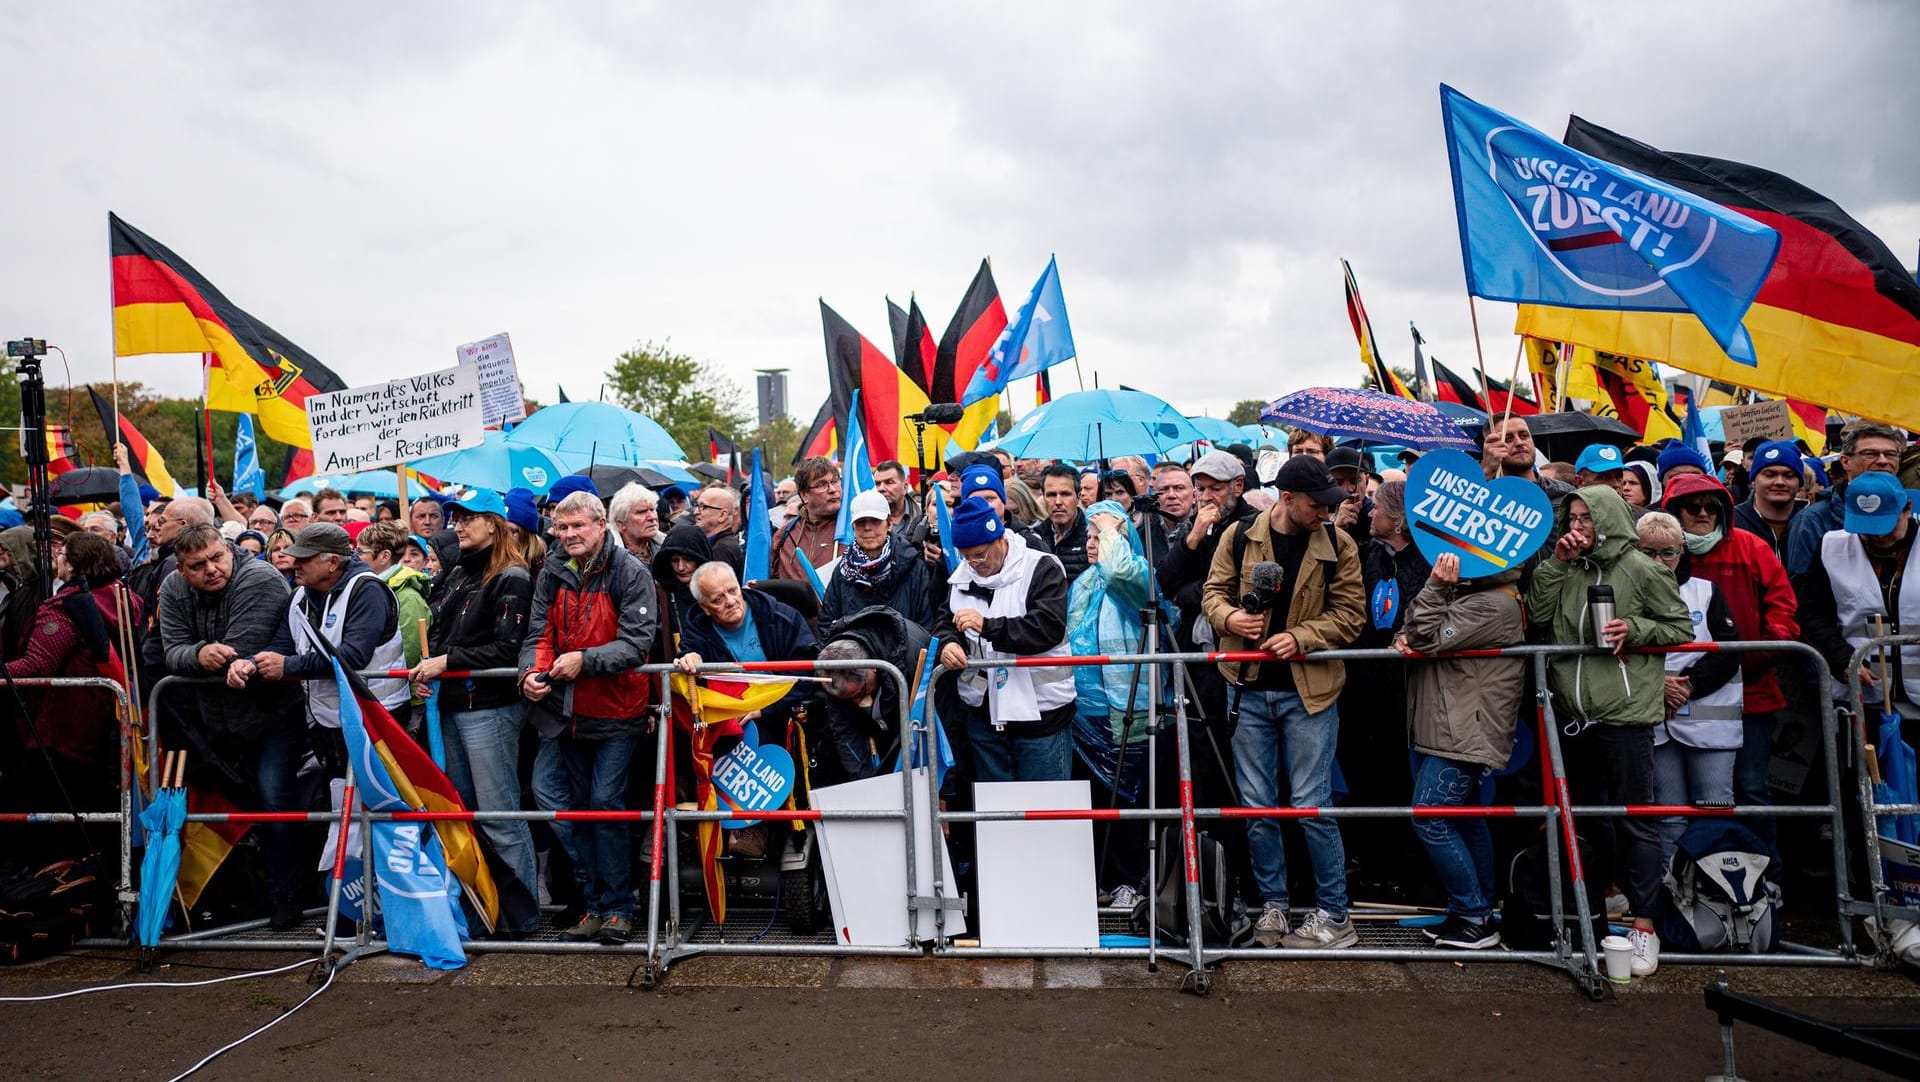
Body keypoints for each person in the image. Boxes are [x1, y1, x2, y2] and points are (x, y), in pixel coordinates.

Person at [1528, 485, 1693, 977]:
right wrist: (1556, 562)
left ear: (1609, 517)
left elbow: (1681, 627)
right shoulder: (1565, 566)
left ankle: (1644, 926)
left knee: (1635, 821)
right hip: (1573, 716)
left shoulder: (1642, 568)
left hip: (1625, 716)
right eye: (1572, 517)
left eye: (1586, 517)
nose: (1578, 526)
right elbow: (1537, 617)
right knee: (1582, 822)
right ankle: (1590, 921)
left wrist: (1634, 630)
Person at [1203, 455, 1367, 949]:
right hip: (1247, 687)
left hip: (1309, 692)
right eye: (1317, 504)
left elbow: (1351, 615)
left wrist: (1301, 636)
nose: (1325, 513)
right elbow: (1212, 593)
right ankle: (1273, 907)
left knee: (1312, 804)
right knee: (1257, 807)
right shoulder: (1238, 535)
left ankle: (1334, 915)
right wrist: (1231, 620)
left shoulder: (1340, 543)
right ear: (1288, 499)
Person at [520, 490, 658, 945]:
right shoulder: (553, 571)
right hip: (568, 711)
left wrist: (584, 659)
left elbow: (637, 643)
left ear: (602, 525)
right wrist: (531, 673)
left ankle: (619, 907)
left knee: (605, 805)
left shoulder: (630, 571)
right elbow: (537, 632)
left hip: (618, 711)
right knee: (576, 810)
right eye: (562, 527)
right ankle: (596, 905)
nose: (569, 534)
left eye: (578, 525)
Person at [155, 522, 305, 928]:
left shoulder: (259, 578)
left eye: (217, 557)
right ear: (182, 569)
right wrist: (199, 653)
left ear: (228, 548)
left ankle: (285, 893)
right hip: (215, 721)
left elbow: (243, 651)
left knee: (276, 801)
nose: (212, 569)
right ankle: (241, 895)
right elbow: (172, 651)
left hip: (271, 715)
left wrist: (200, 656)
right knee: (234, 805)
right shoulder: (172, 588)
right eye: (198, 564)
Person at [411, 490, 540, 937]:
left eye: (467, 517)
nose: (457, 525)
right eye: (455, 518)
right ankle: (482, 908)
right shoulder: (456, 575)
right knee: (463, 814)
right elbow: (441, 634)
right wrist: (429, 668)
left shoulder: (513, 576)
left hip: (490, 708)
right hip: (450, 706)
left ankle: (521, 912)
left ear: (494, 522)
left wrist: (446, 662)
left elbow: (507, 647)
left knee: (498, 815)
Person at [1393, 551, 1527, 950]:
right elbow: (1415, 629)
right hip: (1454, 727)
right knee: (1466, 820)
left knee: (1428, 817)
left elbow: (1422, 635)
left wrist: (1436, 586)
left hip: (1465, 731)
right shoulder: (1477, 595)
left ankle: (1474, 914)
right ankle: (1473, 910)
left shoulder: (1493, 602)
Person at [1660, 473, 1800, 813]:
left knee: (1751, 790)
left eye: (1713, 506)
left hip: (1749, 694)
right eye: (1693, 507)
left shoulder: (1752, 548)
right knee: (1674, 805)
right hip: (1668, 699)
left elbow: (1784, 614)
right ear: (1674, 512)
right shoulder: (1657, 554)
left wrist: (1747, 659)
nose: (1704, 514)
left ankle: (1761, 866)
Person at [3, 533, 139, 862]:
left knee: (56, 815)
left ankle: (56, 882)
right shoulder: (123, 596)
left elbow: (38, 664)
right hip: (106, 721)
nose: (57, 559)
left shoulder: (66, 607)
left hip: (62, 725)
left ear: (73, 563)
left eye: (62, 553)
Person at [229, 523, 411, 756]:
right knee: (336, 790)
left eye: (304, 559)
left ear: (333, 562)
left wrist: (287, 666)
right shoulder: (299, 595)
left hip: (377, 717)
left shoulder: (368, 591)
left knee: (378, 793)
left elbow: (354, 656)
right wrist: (252, 663)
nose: (295, 564)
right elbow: (282, 646)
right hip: (328, 720)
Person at [675, 561, 819, 854]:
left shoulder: (781, 617)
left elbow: (810, 678)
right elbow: (688, 658)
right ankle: (692, 822)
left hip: (780, 714)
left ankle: (753, 828)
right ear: (705, 607)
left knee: (758, 731)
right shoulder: (698, 629)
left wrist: (765, 709)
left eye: (732, 591)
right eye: (718, 599)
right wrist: (688, 658)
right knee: (689, 734)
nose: (729, 601)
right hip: (727, 719)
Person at [934, 498, 1075, 782]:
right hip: (984, 715)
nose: (974, 564)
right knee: (995, 815)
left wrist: (988, 626)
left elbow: (1047, 627)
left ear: (1000, 539)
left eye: (980, 555)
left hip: (1042, 712)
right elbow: (945, 621)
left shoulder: (1041, 567)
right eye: (966, 556)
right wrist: (949, 643)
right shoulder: (961, 576)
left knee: (1047, 811)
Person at [1634, 513, 1745, 869]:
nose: (1658, 562)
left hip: (1710, 725)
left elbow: (1728, 652)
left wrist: (1687, 687)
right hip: (1655, 722)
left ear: (1682, 551)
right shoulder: (1626, 592)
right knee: (1668, 816)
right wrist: (1657, 687)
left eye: (1667, 553)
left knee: (1714, 809)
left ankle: (1718, 896)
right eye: (1648, 552)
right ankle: (1673, 896)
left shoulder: (1706, 590)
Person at [1067, 501, 1162, 906]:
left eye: (1100, 536)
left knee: (1130, 799)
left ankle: (1130, 882)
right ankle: (1104, 879)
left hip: (1131, 706)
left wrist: (1111, 530)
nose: (1092, 543)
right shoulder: (1083, 582)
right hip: (1086, 712)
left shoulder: (1138, 576)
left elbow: (1118, 569)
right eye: (1089, 535)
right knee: (1097, 798)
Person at [1796, 471, 1920, 710]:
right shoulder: (1831, 547)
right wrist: (1842, 659)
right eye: (1868, 528)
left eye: (1887, 525)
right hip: (1862, 694)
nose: (1879, 536)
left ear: (1908, 509)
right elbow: (1812, 613)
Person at [815, 607, 930, 783]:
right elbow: (846, 734)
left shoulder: (911, 655)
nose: (858, 701)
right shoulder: (831, 672)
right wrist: (866, 786)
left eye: (860, 692)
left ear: (873, 669)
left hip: (918, 733)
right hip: (880, 732)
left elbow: (941, 723)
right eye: (849, 699)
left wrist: (943, 791)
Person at [821, 490, 934, 630]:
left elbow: (925, 623)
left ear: (889, 524)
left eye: (875, 521)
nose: (867, 528)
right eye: (860, 522)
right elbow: (827, 624)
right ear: (853, 527)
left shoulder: (912, 565)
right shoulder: (842, 570)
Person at [357, 521, 433, 689]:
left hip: (404, 693)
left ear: (384, 556)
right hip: (376, 689)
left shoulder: (407, 596)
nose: (356, 556)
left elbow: (409, 652)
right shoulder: (370, 587)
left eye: (361, 551)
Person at [770, 456, 842, 582]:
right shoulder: (784, 535)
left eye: (835, 481)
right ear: (804, 495)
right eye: (822, 485)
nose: (833, 490)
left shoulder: (852, 530)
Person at [1735, 440, 1807, 561]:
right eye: (1770, 475)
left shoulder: (1815, 522)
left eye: (1789, 475)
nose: (1779, 482)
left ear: (1800, 482)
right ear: (1753, 480)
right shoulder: (1731, 521)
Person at [1482, 416, 1574, 504]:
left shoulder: (1566, 495)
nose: (1519, 442)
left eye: (1524, 436)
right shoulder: (1482, 496)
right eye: (1508, 439)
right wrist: (1486, 470)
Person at [1034, 464, 1091, 584]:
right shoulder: (1034, 537)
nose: (1058, 502)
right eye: (1051, 495)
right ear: (1043, 497)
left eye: (1065, 494)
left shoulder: (1093, 536)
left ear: (1078, 496)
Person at [692, 484, 745, 574]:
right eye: (697, 505)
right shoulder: (718, 544)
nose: (696, 512)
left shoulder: (722, 549)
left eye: (703, 507)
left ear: (722, 515)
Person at [1326, 447, 1373, 545]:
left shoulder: (1375, 516)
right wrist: (1337, 528)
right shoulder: (1319, 513)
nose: (1348, 489)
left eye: (1354, 481)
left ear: (1367, 480)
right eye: (1339, 482)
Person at [609, 482, 665, 563]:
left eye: (652, 510)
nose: (652, 517)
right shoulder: (610, 559)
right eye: (641, 512)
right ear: (620, 524)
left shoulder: (667, 549)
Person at [872, 460, 920, 536]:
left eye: (889, 482)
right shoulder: (867, 517)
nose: (881, 488)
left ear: (905, 488)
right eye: (878, 484)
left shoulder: (923, 515)